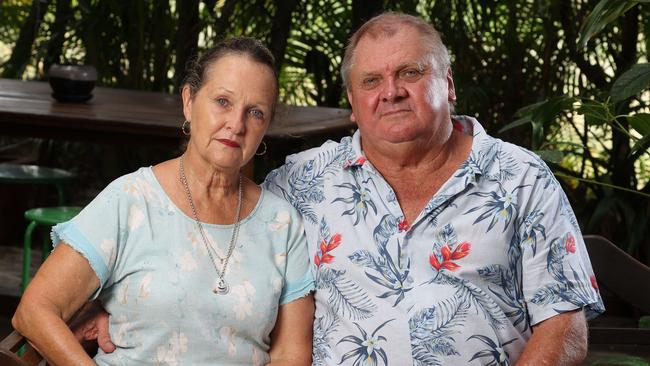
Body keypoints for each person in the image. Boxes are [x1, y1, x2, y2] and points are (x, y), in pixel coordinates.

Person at [71, 12, 605, 365]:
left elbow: (564, 326)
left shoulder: (522, 179)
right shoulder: (300, 183)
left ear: (448, 82)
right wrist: (109, 296)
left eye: (411, 73)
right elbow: (211, 238)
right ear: (351, 104)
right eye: (371, 81)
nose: (391, 92)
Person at [12, 37, 315, 366]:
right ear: (189, 101)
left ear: (266, 126)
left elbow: (290, 355)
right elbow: (34, 312)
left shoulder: (282, 224)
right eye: (223, 102)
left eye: (255, 112)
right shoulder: (130, 201)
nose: (236, 124)